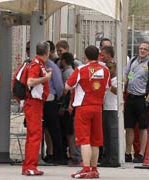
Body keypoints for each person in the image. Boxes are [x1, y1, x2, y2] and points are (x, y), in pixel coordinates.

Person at [66, 45, 111, 178]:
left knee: (84, 139)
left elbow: (67, 85)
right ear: (98, 55)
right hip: (98, 107)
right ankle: (94, 168)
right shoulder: (105, 70)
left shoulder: (81, 69)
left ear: (85, 56)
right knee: (96, 140)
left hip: (83, 107)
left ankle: (85, 168)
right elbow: (107, 87)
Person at [124, 41, 149, 163]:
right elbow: (127, 76)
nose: (142, 50)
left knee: (143, 127)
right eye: (140, 48)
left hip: (142, 99)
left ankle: (141, 153)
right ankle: (128, 153)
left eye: (145, 49)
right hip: (130, 98)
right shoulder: (133, 61)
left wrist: (148, 100)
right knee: (129, 127)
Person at [21, 41, 52, 176]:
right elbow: (30, 81)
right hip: (34, 104)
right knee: (35, 135)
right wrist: (46, 78)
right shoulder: (36, 65)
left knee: (32, 135)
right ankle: (30, 166)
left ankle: (28, 165)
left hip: (34, 104)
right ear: (47, 52)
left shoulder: (37, 64)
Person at [42, 41, 65, 165]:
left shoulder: (52, 66)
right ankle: (50, 153)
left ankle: (58, 155)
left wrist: (58, 97)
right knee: (44, 129)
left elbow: (59, 86)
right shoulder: (35, 65)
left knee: (54, 129)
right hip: (41, 100)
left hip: (50, 100)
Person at [100, 62, 120, 167]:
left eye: (110, 68)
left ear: (115, 69)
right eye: (106, 68)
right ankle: (107, 158)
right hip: (105, 108)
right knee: (106, 135)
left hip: (113, 108)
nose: (108, 70)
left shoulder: (117, 80)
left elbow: (117, 92)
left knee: (113, 135)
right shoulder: (106, 80)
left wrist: (108, 83)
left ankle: (114, 158)